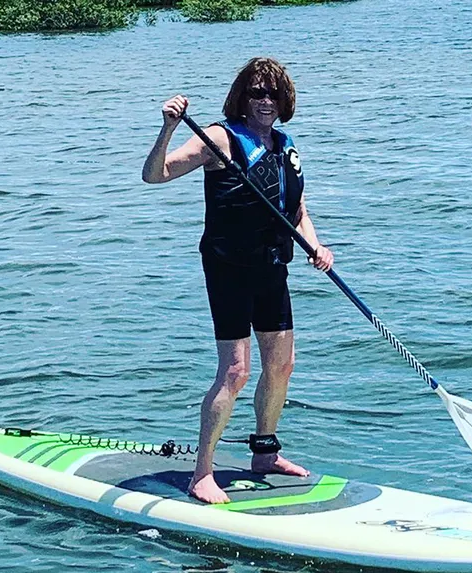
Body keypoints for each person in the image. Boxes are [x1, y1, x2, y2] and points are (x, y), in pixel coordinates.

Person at [142, 57, 334, 504]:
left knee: (282, 365)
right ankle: (201, 474)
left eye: (272, 93)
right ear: (242, 98)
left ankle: (264, 452)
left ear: (284, 100)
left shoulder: (285, 145)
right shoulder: (219, 138)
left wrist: (317, 247)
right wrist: (168, 128)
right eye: (256, 93)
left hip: (272, 266)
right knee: (235, 371)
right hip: (229, 268)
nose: (265, 101)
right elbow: (156, 174)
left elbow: (298, 212)